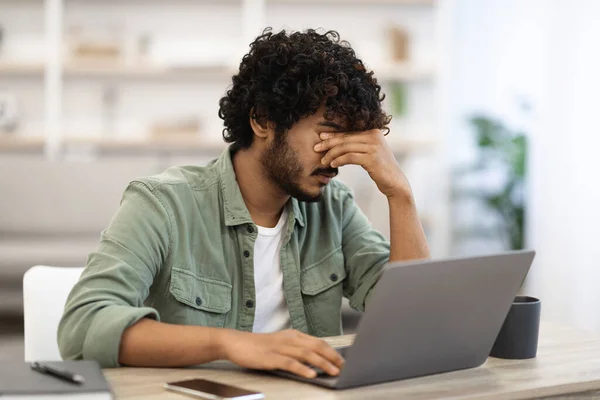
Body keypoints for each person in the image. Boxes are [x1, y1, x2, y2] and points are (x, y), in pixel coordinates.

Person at [57, 28, 429, 379]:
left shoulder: (333, 208)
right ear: (263, 120)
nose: (337, 156)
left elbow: (412, 324)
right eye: (328, 131)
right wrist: (230, 344)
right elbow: (83, 327)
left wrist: (401, 195)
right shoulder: (162, 204)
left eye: (351, 136)